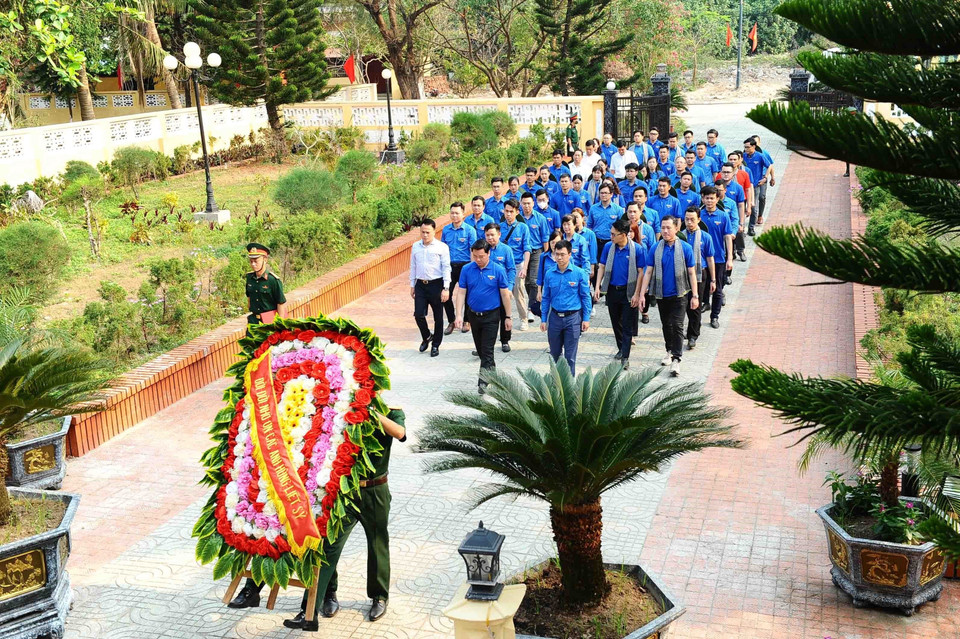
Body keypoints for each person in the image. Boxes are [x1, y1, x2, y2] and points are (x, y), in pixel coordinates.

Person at [283, 407, 408, 630]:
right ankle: (313, 607)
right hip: (344, 491)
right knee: (329, 546)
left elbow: (400, 433)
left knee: (377, 543)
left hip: (375, 491)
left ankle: (379, 597)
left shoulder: (391, 411)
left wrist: (373, 413)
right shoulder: (344, 407)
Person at [635, 215, 697, 377]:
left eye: (669, 228)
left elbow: (691, 273)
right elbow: (648, 271)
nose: (665, 231)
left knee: (677, 325)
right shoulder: (656, 248)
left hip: (680, 293)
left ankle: (677, 358)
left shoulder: (685, 248)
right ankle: (669, 350)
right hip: (661, 294)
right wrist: (642, 294)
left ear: (676, 228)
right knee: (666, 324)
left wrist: (695, 295)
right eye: (663, 228)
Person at [453, 241, 514, 394]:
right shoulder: (467, 269)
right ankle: (492, 373)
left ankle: (483, 382)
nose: (478, 259)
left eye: (481, 256)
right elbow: (461, 292)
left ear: (488, 254)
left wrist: (508, 316)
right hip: (473, 315)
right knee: (481, 350)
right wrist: (459, 315)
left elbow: (504, 295)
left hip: (491, 316)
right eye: (475, 256)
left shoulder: (498, 270)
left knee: (487, 350)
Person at [594, 218, 645, 368]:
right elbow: (602, 267)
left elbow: (641, 272)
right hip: (612, 290)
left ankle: (625, 357)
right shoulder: (608, 247)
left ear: (623, 235)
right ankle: (621, 348)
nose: (611, 237)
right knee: (616, 322)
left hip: (628, 292)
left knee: (627, 325)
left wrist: (637, 294)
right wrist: (597, 287)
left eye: (613, 234)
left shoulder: (637, 249)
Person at [540, 240, 592, 375]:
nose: (559, 258)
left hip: (573, 319)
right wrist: (544, 319)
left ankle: (569, 384)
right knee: (555, 354)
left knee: (570, 357)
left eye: (562, 254)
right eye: (557, 254)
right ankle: (557, 383)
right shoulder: (549, 274)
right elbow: (546, 298)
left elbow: (585, 297)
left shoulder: (579, 273)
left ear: (569, 254)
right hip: (555, 318)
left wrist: (586, 318)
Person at [409, 219, 450, 356]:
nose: (425, 235)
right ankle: (427, 336)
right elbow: (413, 266)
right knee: (418, 314)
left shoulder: (442, 247)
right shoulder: (416, 246)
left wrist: (446, 288)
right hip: (420, 285)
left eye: (428, 232)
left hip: (436, 284)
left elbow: (446, 267)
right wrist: (412, 284)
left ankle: (436, 344)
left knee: (438, 317)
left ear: (434, 231)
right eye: (423, 232)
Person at [680, 207, 716, 350]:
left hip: (699, 274)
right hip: (682, 275)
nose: (689, 222)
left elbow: (710, 259)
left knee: (695, 305)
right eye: (687, 219)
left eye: (692, 220)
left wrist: (713, 279)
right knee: (682, 304)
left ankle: (693, 335)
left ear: (699, 220)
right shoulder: (680, 236)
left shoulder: (705, 237)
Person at [699, 186, 735, 329]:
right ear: (703, 199)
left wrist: (730, 258)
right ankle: (704, 305)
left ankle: (714, 316)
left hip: (718, 258)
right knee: (703, 287)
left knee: (718, 289)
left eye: (712, 198)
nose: (709, 201)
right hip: (701, 259)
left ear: (717, 199)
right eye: (707, 198)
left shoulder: (723, 216)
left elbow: (727, 237)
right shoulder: (698, 215)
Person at [441, 202, 477, 334]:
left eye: (457, 213)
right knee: (445, 294)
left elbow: (473, 250)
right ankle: (451, 320)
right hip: (449, 267)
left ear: (463, 214)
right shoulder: (446, 230)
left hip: (465, 266)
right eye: (452, 213)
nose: (454, 215)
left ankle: (467, 320)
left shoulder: (470, 230)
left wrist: (473, 268)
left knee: (467, 294)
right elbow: (443, 249)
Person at [499, 200, 532, 332]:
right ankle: (505, 317)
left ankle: (523, 318)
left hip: (517, 264)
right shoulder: (499, 227)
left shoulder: (523, 228)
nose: (508, 214)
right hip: (502, 266)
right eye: (506, 211)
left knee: (518, 293)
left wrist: (525, 268)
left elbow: (527, 249)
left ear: (517, 212)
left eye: (511, 212)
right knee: (501, 293)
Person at [484, 223, 516, 352]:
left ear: (499, 235)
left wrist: (509, 287)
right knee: (487, 317)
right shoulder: (482, 249)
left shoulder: (506, 250)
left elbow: (511, 269)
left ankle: (505, 340)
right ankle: (485, 343)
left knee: (504, 314)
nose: (490, 238)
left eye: (492, 235)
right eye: (487, 235)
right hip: (487, 289)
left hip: (502, 288)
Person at [244, 243, 287, 334]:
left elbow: (280, 303)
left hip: (269, 322)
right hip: (254, 322)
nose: (253, 264)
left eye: (256, 261)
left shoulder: (273, 280)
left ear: (265, 260)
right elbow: (249, 299)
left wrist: (280, 326)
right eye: (251, 261)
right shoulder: (249, 278)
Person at [520, 192, 549, 321]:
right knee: (526, 281)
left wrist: (546, 256)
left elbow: (545, 238)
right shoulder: (518, 218)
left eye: (529, 203)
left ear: (533, 203)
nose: (526, 206)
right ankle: (532, 301)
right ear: (520, 204)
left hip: (537, 251)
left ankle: (531, 308)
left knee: (533, 280)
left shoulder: (540, 218)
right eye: (524, 203)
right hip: (521, 252)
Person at [742, 137, 773, 234]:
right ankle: (741, 228)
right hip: (743, 186)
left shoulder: (760, 156)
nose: (746, 149)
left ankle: (751, 227)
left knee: (753, 206)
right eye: (745, 147)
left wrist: (765, 177)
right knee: (741, 206)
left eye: (748, 147)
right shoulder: (743, 156)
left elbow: (769, 165)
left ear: (754, 146)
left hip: (755, 186)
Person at [587, 183, 623, 258]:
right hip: (596, 241)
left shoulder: (618, 209)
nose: (603, 195)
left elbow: (621, 228)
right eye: (601, 193)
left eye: (606, 193)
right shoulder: (593, 208)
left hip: (612, 242)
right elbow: (589, 226)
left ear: (611, 194)